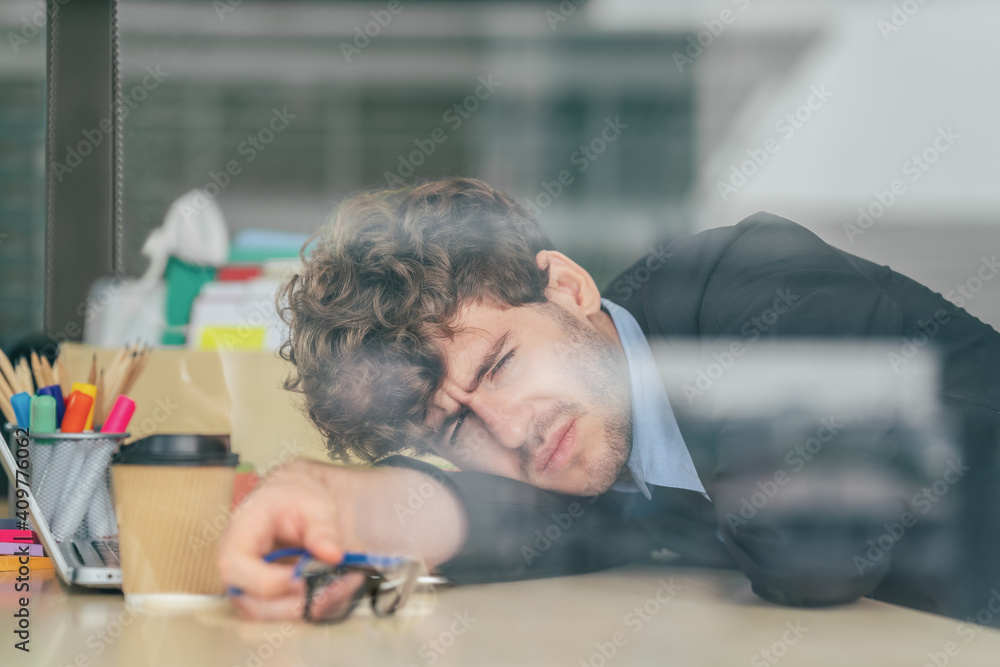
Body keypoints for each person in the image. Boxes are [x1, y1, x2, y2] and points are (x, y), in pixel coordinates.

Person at [217, 178, 1000, 623]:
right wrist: (345, 506)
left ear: (567, 285)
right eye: (454, 428)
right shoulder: (594, 433)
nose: (512, 430)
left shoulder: (752, 283)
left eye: (500, 364)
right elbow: (524, 517)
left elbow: (816, 557)